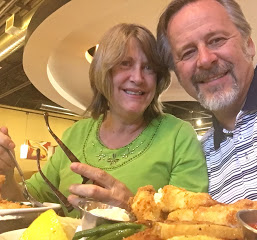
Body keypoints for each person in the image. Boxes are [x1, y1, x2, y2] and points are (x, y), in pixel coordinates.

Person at [0, 23, 209, 217]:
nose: (137, 77)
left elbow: (191, 222)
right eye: (125, 64)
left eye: (149, 68)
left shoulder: (178, 135)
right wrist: (7, 175)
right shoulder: (76, 134)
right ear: (103, 73)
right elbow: (28, 201)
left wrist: (131, 207)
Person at [156, 0, 257, 223]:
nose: (205, 59)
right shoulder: (199, 157)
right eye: (187, 52)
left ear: (249, 44)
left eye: (216, 40)